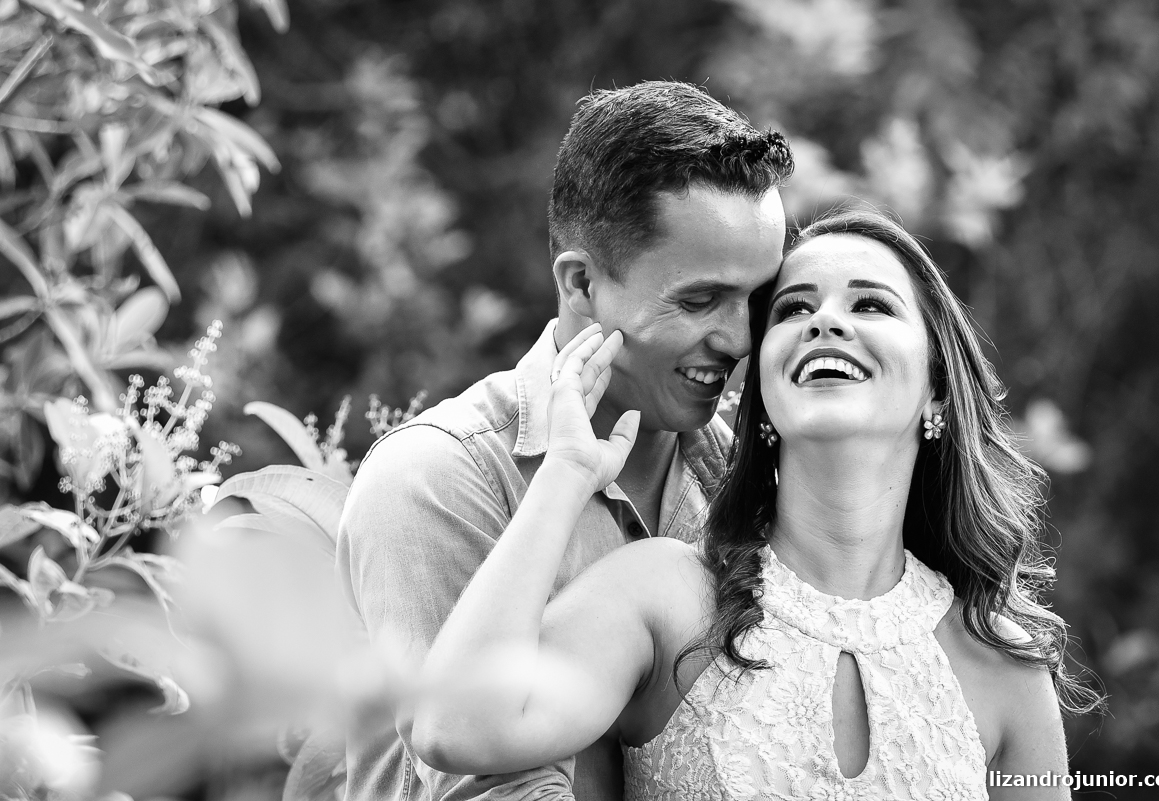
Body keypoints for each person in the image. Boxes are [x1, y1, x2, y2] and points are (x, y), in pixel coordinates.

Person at [411, 209, 1102, 800]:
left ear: (937, 392)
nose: (825, 322)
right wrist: (564, 472)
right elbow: (455, 727)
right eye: (795, 308)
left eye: (870, 305)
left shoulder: (1003, 665)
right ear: (764, 397)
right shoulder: (663, 596)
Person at [336, 80, 793, 801]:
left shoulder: (746, 476)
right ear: (581, 282)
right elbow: (486, 783)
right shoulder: (438, 478)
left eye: (757, 299)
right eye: (700, 299)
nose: (739, 338)